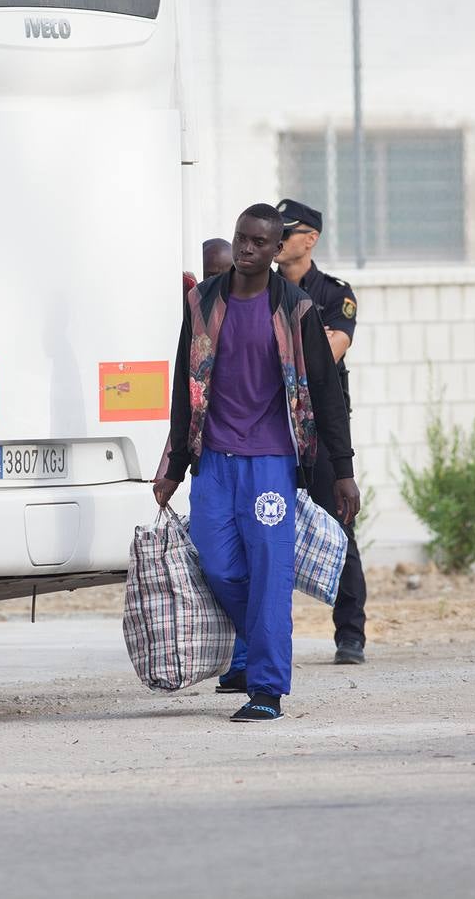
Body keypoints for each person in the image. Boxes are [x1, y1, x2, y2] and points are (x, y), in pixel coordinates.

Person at [155, 203, 360, 722]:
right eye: (241, 239)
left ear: (274, 251)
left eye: (258, 243)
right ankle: (258, 636)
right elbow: (186, 385)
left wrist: (343, 470)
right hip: (214, 463)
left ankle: (266, 689)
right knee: (218, 564)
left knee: (270, 573)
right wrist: (174, 464)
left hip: (271, 461)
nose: (246, 249)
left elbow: (325, 391)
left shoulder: (294, 307)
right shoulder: (202, 302)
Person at [275, 198, 370, 665]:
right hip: (271, 428)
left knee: (339, 524)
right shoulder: (260, 289)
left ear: (309, 239)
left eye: (286, 232)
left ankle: (350, 634)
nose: (276, 240)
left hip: (319, 429)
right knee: (265, 528)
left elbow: (326, 354)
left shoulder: (333, 293)